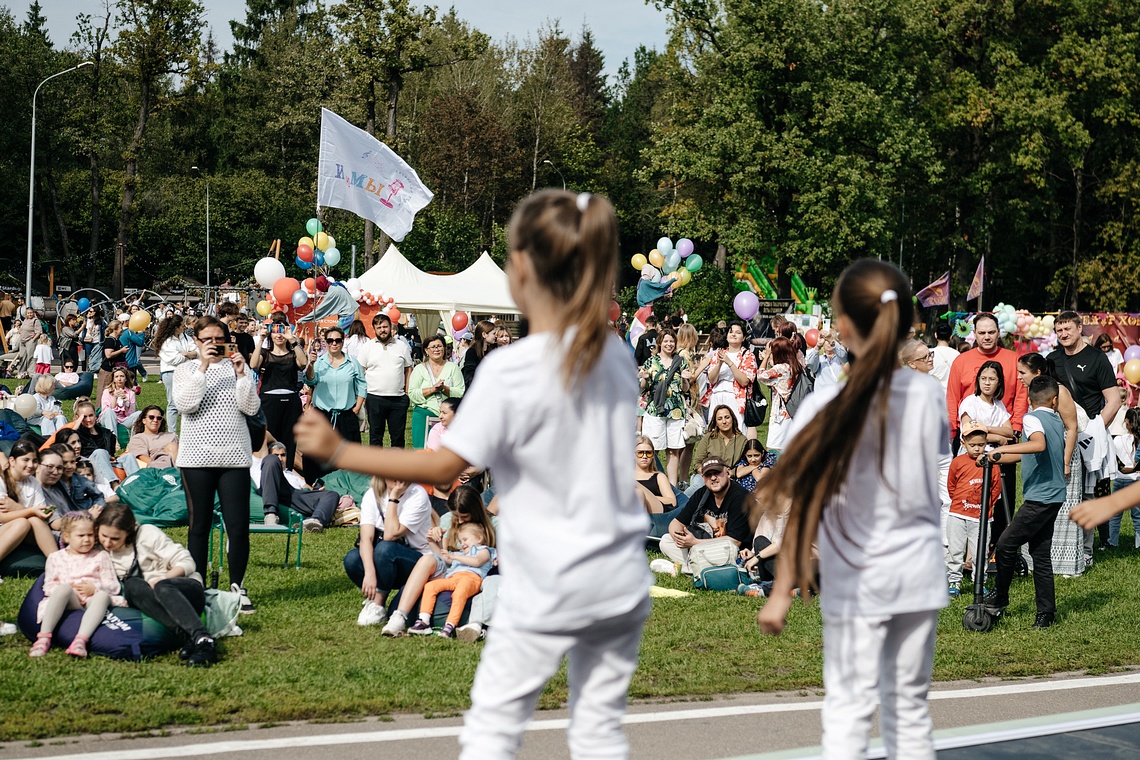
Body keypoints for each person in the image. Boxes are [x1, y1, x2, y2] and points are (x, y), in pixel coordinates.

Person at [295, 189, 652, 759]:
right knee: (597, 731)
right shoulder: (615, 355)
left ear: (528, 271)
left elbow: (442, 465)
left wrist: (342, 450)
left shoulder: (516, 367)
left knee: (492, 728)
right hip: (618, 571)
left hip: (554, 573)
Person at [757, 259, 948, 759]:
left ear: (841, 326)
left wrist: (781, 589)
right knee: (909, 712)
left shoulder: (827, 405)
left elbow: (805, 501)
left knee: (848, 709)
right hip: (919, 570)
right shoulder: (929, 396)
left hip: (859, 573)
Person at [173, 315, 260, 614]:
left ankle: (238, 586)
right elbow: (185, 405)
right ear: (196, 342)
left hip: (234, 458)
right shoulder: (185, 370)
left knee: (238, 527)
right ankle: (196, 586)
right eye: (206, 339)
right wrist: (202, 368)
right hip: (196, 459)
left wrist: (241, 375)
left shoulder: (239, 368)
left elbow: (250, 407)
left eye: (218, 339)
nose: (213, 344)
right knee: (199, 526)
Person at [983, 376, 1067, 629]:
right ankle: (1046, 614)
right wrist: (997, 458)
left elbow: (1038, 446)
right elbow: (1028, 454)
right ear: (1055, 400)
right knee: (1040, 555)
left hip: (1040, 498)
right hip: (1054, 496)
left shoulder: (1031, 418)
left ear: (1030, 400)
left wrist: (1003, 450)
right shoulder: (1056, 420)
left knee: (1006, 544)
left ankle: (999, 597)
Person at [95, 503, 216, 666]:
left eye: (115, 538)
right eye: (104, 536)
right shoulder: (100, 550)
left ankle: (205, 640)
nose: (108, 542)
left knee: (162, 587)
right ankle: (191, 638)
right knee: (132, 585)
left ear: (129, 533)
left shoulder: (146, 534)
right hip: (153, 599)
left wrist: (164, 578)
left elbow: (187, 562)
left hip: (183, 589)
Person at [380, 485, 498, 637]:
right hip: (451, 569)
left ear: (475, 511)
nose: (460, 521)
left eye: (465, 516)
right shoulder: (447, 519)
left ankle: (457, 623)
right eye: (457, 516)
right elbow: (444, 557)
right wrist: (431, 541)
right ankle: (400, 616)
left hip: (475, 574)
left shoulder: (494, 524)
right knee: (427, 558)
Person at [1049, 311, 1120, 558]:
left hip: (1089, 434)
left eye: (1068, 328)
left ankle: (1085, 550)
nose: (1064, 334)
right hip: (1059, 434)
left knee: (1087, 494)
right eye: (1059, 330)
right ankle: (1058, 543)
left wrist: (1096, 429)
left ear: (1080, 328)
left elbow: (1113, 400)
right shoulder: (1052, 359)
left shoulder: (1097, 359)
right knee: (1059, 491)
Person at [1016, 352, 1082, 575]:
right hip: (1041, 458)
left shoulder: (1059, 392)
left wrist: (1065, 461)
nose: (1019, 377)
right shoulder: (1032, 392)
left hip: (1061, 455)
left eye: (1022, 372)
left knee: (1063, 512)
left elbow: (1071, 427)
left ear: (1037, 372)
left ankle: (1064, 564)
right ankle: (1038, 560)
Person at [28, 512, 126, 658]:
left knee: (102, 596)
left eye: (90, 535)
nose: (87, 540)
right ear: (66, 537)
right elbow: (48, 587)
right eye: (81, 536)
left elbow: (113, 585)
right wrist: (70, 588)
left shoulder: (100, 556)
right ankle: (44, 638)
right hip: (70, 600)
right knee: (63, 589)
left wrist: (95, 588)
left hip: (90, 600)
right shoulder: (56, 558)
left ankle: (80, 641)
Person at [344, 476, 434, 626]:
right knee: (352, 559)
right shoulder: (372, 495)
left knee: (385, 548)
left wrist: (394, 498)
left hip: (418, 561)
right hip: (386, 561)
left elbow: (391, 534)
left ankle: (379, 604)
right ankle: (374, 601)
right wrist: (370, 573)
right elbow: (366, 538)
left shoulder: (418, 494)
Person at [946, 313, 1028, 448]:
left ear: (999, 333)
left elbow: (1021, 395)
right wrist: (952, 429)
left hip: (1003, 433)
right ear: (974, 333)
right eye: (982, 333)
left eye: (991, 332)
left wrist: (1017, 427)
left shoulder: (1014, 359)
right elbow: (952, 397)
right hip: (968, 435)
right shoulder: (961, 361)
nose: (987, 337)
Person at [659, 456, 751, 573]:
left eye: (717, 473)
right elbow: (676, 522)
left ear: (728, 472)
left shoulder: (740, 497)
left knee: (727, 549)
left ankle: (689, 567)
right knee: (666, 540)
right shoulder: (702, 494)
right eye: (708, 475)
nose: (713, 478)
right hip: (702, 544)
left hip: (731, 551)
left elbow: (735, 541)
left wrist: (694, 542)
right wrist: (679, 537)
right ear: (703, 478)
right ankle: (694, 567)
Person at [407, 522, 496, 638]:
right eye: (461, 541)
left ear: (479, 538)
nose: (462, 543)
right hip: (454, 577)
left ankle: (450, 625)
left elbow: (477, 561)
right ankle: (424, 621)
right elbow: (442, 556)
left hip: (472, 578)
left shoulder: (484, 550)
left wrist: (454, 557)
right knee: (430, 586)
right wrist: (431, 542)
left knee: (459, 593)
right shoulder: (460, 553)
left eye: (465, 539)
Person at [944, 421, 1003, 597]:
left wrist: (987, 507)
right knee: (955, 549)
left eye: (980, 445)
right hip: (958, 514)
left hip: (981, 517)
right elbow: (951, 485)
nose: (977, 449)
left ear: (986, 443)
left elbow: (995, 488)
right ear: (963, 443)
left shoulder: (991, 463)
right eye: (972, 445)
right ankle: (954, 581)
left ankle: (979, 581)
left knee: (980, 551)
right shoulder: (958, 462)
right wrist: (959, 502)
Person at [303, 326, 366, 481]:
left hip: (346, 415)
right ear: (326, 342)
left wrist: (357, 407)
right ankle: (316, 484)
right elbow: (310, 381)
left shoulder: (352, 363)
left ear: (343, 341)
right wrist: (311, 364)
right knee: (317, 454)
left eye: (338, 340)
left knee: (348, 454)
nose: (334, 343)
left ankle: (347, 485)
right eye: (330, 340)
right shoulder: (319, 362)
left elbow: (362, 385)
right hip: (323, 415)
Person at [251, 315, 308, 472]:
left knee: (290, 439)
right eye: (275, 331)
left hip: (290, 401)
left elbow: (303, 363)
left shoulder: (292, 352)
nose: (279, 335)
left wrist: (293, 340)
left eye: (282, 330)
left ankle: (288, 471)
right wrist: (261, 339)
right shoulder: (265, 352)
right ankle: (268, 470)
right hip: (269, 400)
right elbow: (253, 364)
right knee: (269, 438)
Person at [639, 328, 692, 485]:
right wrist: (644, 378)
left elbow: (685, 389)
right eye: (666, 341)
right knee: (652, 450)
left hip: (675, 411)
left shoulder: (680, 361)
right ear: (660, 342)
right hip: (655, 410)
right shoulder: (650, 362)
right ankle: (651, 482)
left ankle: (673, 486)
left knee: (673, 451)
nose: (669, 344)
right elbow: (643, 388)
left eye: (672, 341)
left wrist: (684, 379)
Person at [255, 441, 339, 532]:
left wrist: (316, 491)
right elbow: (264, 436)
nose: (280, 458)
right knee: (271, 460)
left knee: (332, 494)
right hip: (271, 486)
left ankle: (314, 521)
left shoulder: (292, 474)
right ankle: (271, 516)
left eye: (283, 455)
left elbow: (306, 489)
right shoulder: (262, 463)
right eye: (276, 455)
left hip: (293, 494)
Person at [358, 313, 413, 449]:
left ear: (391, 327)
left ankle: (397, 468)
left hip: (398, 399)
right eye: (379, 327)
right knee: (376, 436)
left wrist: (407, 392)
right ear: (374, 330)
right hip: (374, 398)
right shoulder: (367, 347)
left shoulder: (401, 346)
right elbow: (360, 372)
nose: (382, 330)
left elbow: (408, 369)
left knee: (398, 437)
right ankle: (376, 469)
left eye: (385, 327)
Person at [0, 440, 58, 563]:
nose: (31, 465)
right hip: (5, 530)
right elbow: (3, 518)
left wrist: (18, 508)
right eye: (25, 460)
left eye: (35, 461)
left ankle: (58, 562)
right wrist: (30, 511)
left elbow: (40, 516)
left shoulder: (33, 482)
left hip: (27, 532)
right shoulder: (2, 481)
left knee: (33, 520)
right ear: (12, 461)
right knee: (23, 522)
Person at [408, 334, 465, 449]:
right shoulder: (419, 369)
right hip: (424, 413)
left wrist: (444, 389)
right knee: (421, 451)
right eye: (433, 347)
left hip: (449, 416)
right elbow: (412, 393)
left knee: (448, 451)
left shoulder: (453, 368)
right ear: (426, 351)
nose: (436, 349)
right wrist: (432, 389)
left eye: (439, 346)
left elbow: (460, 392)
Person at [699, 321, 757, 432]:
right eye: (731, 332)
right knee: (715, 432)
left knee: (736, 431)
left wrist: (729, 362)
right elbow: (712, 379)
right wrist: (720, 363)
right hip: (717, 396)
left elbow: (744, 381)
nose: (733, 334)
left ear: (744, 337)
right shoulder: (718, 353)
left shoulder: (748, 355)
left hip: (735, 398)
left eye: (737, 332)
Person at [756, 337, 803, 454]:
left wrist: (766, 357)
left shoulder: (780, 368)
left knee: (773, 448)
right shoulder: (796, 366)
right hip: (793, 409)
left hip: (781, 412)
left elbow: (761, 375)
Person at [736, 489, 788, 595]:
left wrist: (757, 557)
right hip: (775, 567)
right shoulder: (766, 515)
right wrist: (751, 554)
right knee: (759, 541)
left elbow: (783, 543)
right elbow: (759, 544)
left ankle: (771, 586)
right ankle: (773, 585)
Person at [156, 314, 197, 433]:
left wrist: (187, 354)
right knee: (173, 403)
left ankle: (188, 431)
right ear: (175, 327)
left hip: (186, 371)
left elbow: (197, 351)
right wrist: (188, 355)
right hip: (170, 373)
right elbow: (173, 359)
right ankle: (172, 433)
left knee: (187, 402)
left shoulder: (186, 337)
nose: (184, 327)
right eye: (181, 325)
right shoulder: (166, 341)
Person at [958, 360, 1015, 446]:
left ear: (999, 382)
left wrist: (986, 428)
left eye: (992, 379)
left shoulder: (999, 405)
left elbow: (1009, 432)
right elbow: (970, 434)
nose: (987, 383)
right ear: (978, 379)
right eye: (983, 378)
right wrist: (998, 438)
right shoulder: (970, 402)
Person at [691, 404, 748, 486]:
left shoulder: (742, 440)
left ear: (733, 419)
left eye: (727, 417)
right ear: (716, 422)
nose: (724, 422)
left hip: (728, 477)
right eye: (720, 419)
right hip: (706, 474)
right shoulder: (708, 437)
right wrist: (708, 474)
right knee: (697, 487)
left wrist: (728, 473)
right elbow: (697, 463)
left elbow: (744, 464)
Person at [123, 405, 178, 472]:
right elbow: (142, 458)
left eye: (159, 418)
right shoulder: (138, 438)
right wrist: (160, 465)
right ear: (144, 420)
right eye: (151, 417)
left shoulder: (171, 436)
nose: (155, 420)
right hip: (156, 468)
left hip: (176, 463)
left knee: (173, 446)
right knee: (172, 446)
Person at [95, 320, 128, 404]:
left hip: (113, 370)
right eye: (120, 328)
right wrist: (121, 351)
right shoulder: (110, 340)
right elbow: (108, 355)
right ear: (115, 330)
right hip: (107, 370)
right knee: (103, 391)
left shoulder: (116, 340)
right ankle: (99, 411)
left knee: (112, 392)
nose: (122, 330)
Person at [100, 367, 140, 432]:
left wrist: (126, 403)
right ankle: (113, 439)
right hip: (108, 418)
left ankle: (134, 439)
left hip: (124, 419)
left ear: (126, 379)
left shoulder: (131, 393)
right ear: (113, 379)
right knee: (109, 412)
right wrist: (115, 398)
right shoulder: (107, 391)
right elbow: (105, 411)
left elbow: (131, 413)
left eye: (122, 376)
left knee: (139, 414)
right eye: (116, 377)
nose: (119, 379)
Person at [460, 319, 497, 389]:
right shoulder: (472, 352)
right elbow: (469, 377)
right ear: (484, 334)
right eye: (493, 334)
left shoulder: (492, 351)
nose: (495, 336)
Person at [929, 322, 958, 390]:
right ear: (950, 337)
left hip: (933, 392)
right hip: (951, 393)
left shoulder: (929, 353)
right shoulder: (957, 354)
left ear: (936, 335)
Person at [17, 306, 44, 378]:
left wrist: (33, 339)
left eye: (31, 313)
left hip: (30, 340)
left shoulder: (36, 321)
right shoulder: (25, 320)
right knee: (22, 356)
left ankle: (31, 373)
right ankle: (22, 372)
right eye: (28, 313)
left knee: (30, 357)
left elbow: (38, 332)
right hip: (23, 340)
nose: (30, 314)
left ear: (33, 313)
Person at [81, 306, 105, 373]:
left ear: (95, 312)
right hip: (87, 340)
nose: (89, 313)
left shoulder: (101, 321)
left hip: (97, 340)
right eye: (89, 311)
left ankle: (96, 369)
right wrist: (86, 318)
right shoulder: (86, 320)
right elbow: (82, 327)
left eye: (91, 311)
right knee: (88, 356)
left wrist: (102, 341)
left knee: (97, 356)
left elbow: (102, 331)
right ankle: (89, 369)